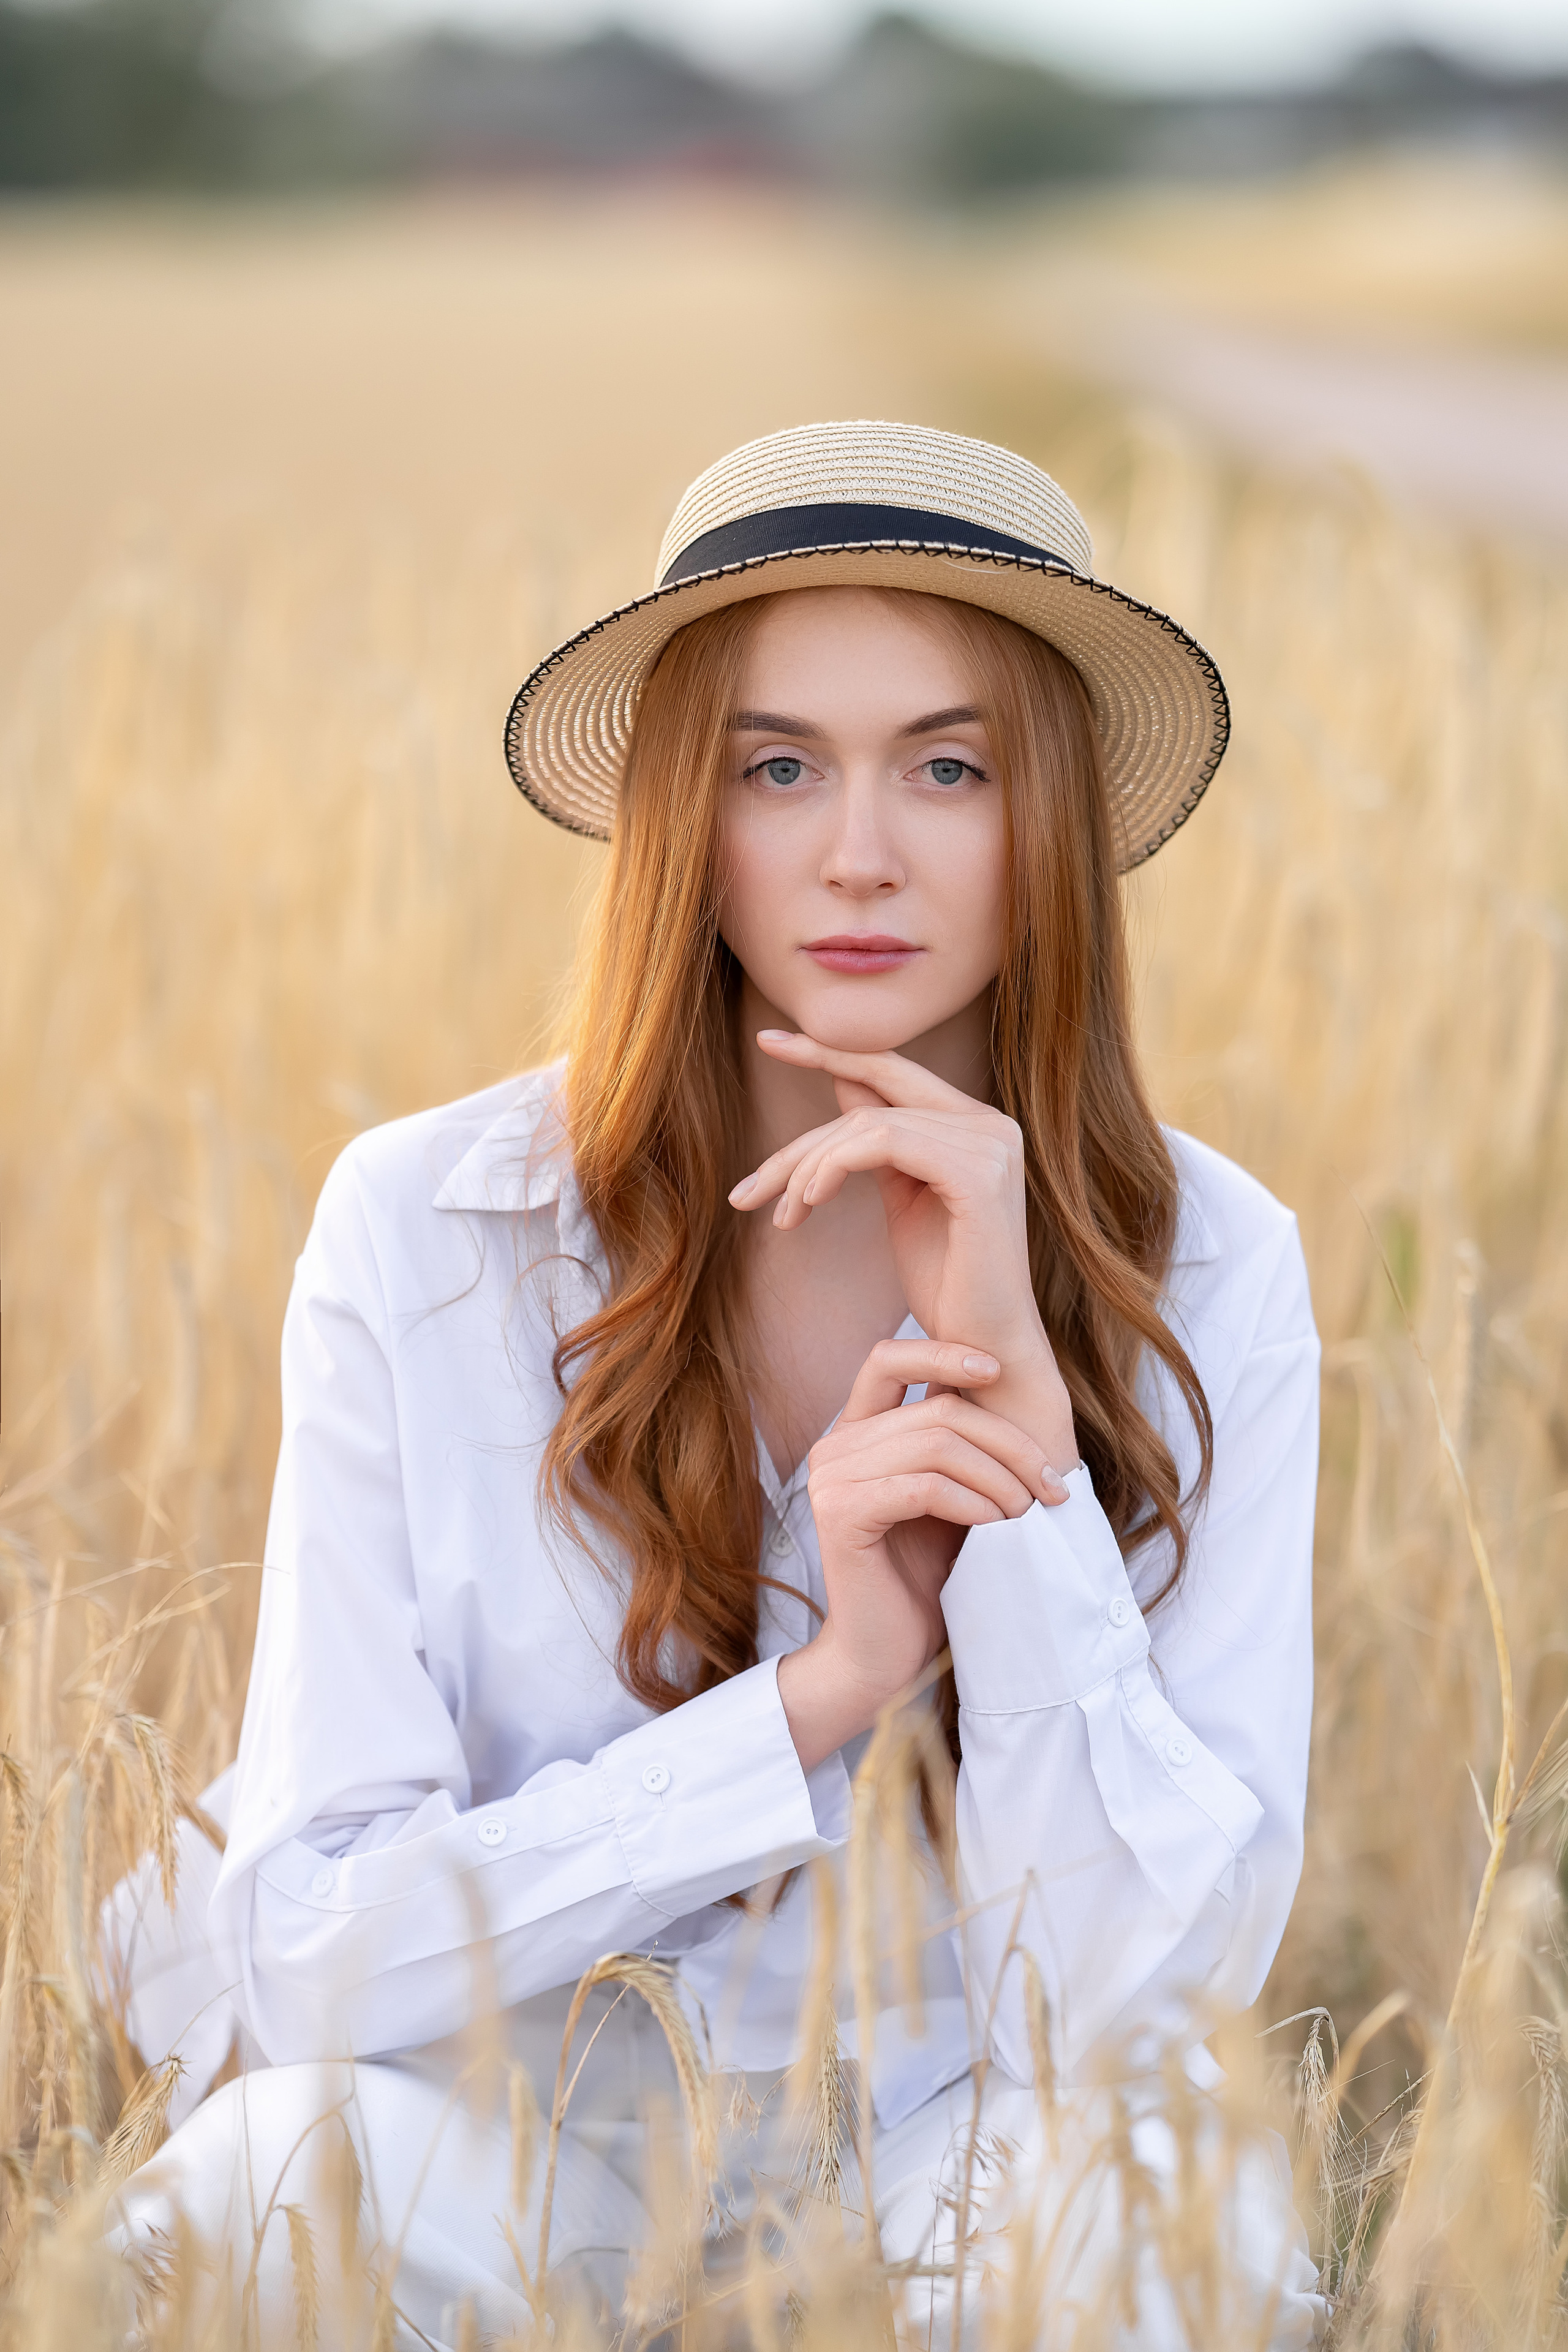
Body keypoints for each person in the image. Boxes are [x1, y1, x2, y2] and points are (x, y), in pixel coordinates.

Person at [108, 420, 1326, 2348]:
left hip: (950, 2156)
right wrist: (815, 1701)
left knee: (1172, 2210)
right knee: (258, 2193)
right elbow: (305, 1956)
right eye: (779, 767)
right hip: (507, 2150)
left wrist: (1018, 1450)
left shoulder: (1218, 1264)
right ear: (690, 812)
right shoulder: (437, 1229)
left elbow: (1135, 2009)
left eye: (951, 765)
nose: (860, 853)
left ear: (1054, 821)